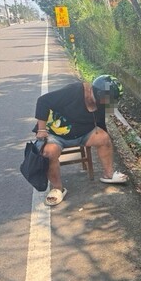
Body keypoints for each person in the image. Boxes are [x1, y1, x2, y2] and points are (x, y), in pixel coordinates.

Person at [33, 75, 128, 206]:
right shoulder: (74, 91)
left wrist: (105, 138)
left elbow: (100, 122)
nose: (110, 103)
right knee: (49, 152)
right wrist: (42, 130)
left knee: (104, 138)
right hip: (57, 134)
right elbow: (43, 101)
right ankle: (57, 188)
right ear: (99, 94)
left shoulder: (104, 104)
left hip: (84, 133)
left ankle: (109, 174)